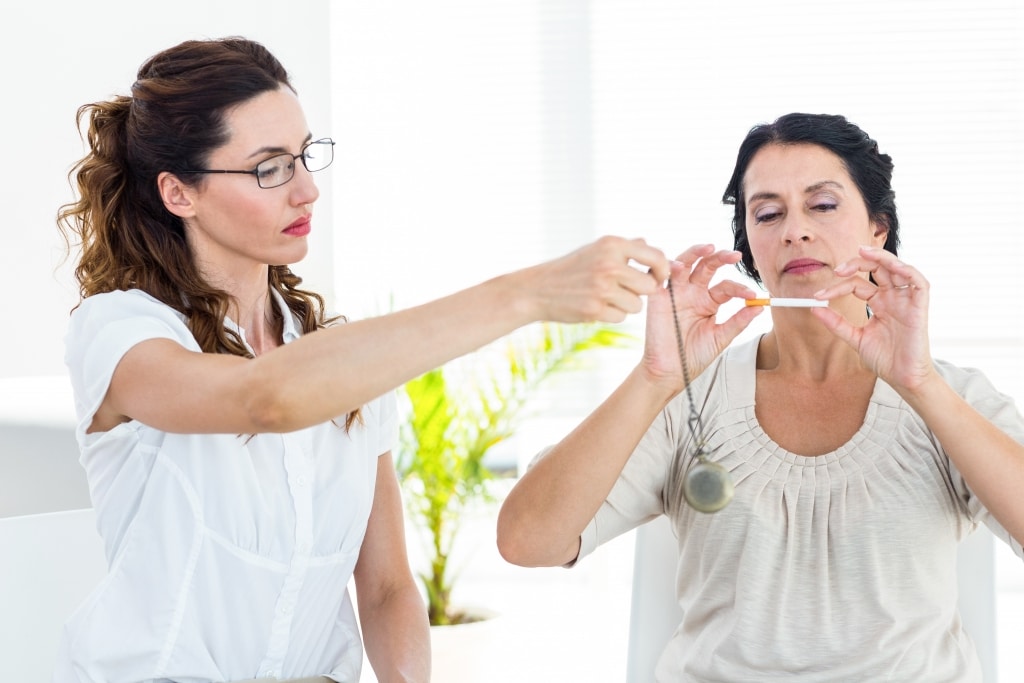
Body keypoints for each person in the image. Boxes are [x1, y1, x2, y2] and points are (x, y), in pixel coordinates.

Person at [54, 37, 670, 683]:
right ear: (180, 193)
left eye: (304, 156)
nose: (307, 190)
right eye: (269, 169)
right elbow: (263, 400)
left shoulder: (342, 361)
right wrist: (528, 293)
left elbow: (385, 588)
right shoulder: (120, 332)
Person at [497, 112, 1024, 681]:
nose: (795, 230)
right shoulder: (688, 399)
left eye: (822, 205)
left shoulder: (952, 395)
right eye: (768, 214)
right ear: (749, 246)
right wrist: (655, 377)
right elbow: (527, 541)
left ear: (878, 227)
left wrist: (919, 385)